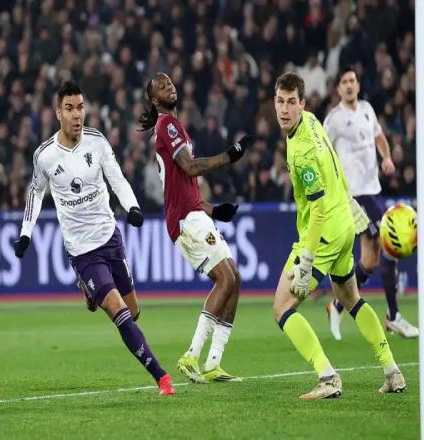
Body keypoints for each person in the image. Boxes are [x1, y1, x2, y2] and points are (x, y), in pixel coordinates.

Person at [14, 80, 175, 396]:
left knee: (134, 311)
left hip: (110, 238)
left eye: (80, 107)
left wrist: (132, 207)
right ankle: (162, 377)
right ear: (58, 113)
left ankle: (89, 294)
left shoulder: (97, 142)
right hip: (82, 251)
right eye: (69, 108)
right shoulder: (45, 156)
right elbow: (35, 192)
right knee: (120, 312)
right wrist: (25, 234)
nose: (77, 114)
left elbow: (117, 179)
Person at [273, 71, 406, 400]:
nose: (284, 109)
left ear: (302, 104)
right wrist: (347, 198)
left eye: (291, 102)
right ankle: (392, 371)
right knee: (351, 299)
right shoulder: (312, 121)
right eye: (280, 101)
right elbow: (333, 158)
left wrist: (306, 259)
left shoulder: (301, 151)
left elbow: (317, 209)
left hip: (324, 233)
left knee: (282, 307)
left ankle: (328, 376)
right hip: (345, 224)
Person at [138, 72, 253, 383]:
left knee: (234, 278)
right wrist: (230, 156)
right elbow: (190, 167)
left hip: (194, 214)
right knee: (225, 278)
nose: (169, 86)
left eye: (170, 82)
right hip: (185, 220)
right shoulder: (167, 125)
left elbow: (182, 186)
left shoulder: (176, 128)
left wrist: (214, 209)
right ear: (154, 99)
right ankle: (191, 356)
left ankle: (213, 363)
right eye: (161, 86)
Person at [323, 66, 419, 340]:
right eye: (344, 81)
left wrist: (386, 157)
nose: (349, 85)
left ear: (357, 84)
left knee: (370, 260)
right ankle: (393, 316)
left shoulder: (366, 109)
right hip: (354, 195)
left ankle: (337, 305)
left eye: (352, 80)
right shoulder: (334, 119)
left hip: (373, 191)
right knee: (390, 243)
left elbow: (379, 137)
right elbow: (323, 151)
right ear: (338, 88)